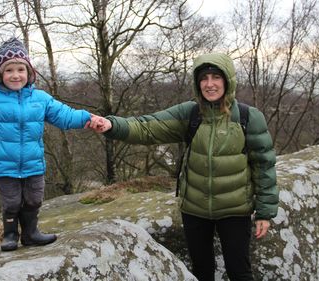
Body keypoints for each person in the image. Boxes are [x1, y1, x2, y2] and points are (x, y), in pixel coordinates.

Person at [89, 53, 279, 281]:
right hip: (195, 209)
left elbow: (264, 165)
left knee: (240, 272)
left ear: (228, 81)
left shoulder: (248, 117)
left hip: (235, 210)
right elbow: (149, 127)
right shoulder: (190, 113)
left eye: (216, 77)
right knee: (201, 271)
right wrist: (112, 125)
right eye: (204, 78)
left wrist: (265, 213)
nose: (210, 84)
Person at [0, 37, 98, 251]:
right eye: (9, 70)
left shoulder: (40, 98)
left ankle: (31, 234)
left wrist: (87, 118)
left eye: (21, 69)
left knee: (34, 199)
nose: (16, 75)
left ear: (29, 73)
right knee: (12, 202)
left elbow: (64, 115)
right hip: (3, 164)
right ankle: (10, 235)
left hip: (33, 163)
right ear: (0, 74)